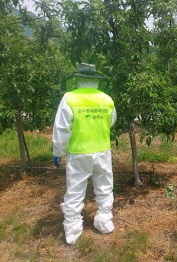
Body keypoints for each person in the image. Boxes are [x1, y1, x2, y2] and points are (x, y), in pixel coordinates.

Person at [52, 63, 117, 244]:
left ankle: (72, 232)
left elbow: (62, 129)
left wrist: (58, 152)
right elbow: (110, 122)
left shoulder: (70, 98)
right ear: (96, 80)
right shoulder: (107, 99)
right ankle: (104, 222)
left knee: (75, 190)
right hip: (102, 151)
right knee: (104, 187)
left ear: (78, 79)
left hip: (79, 152)